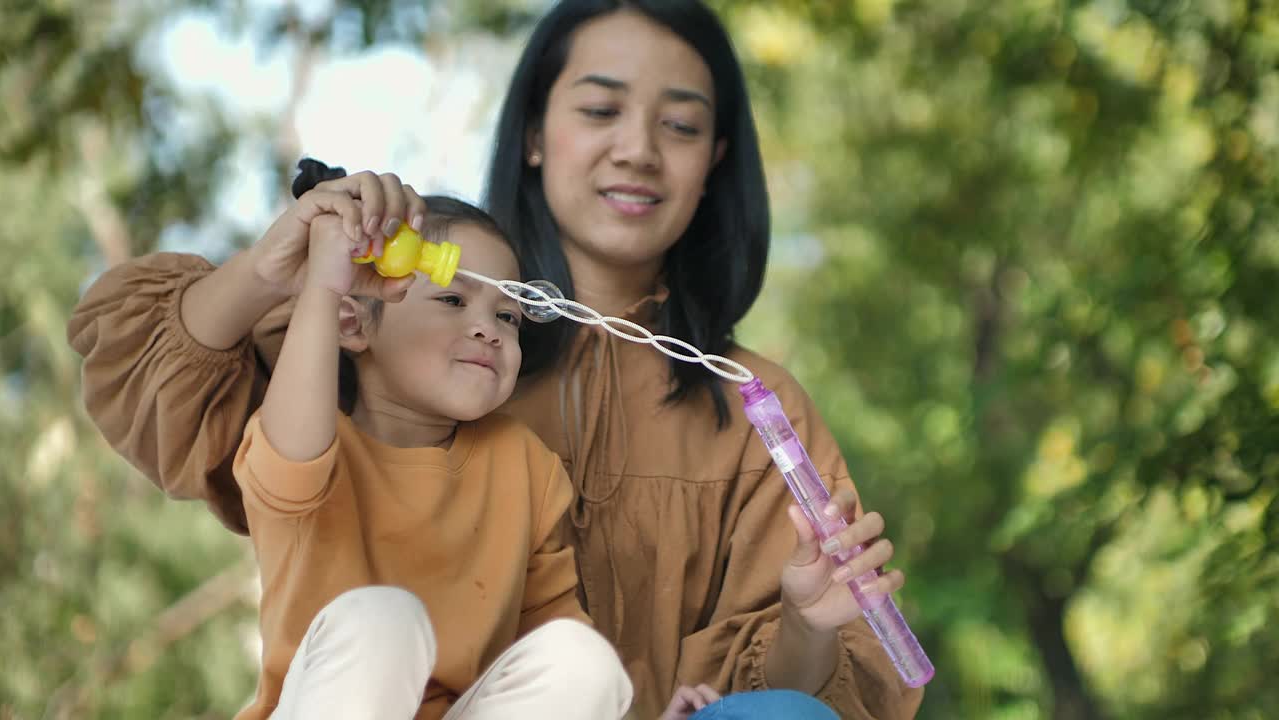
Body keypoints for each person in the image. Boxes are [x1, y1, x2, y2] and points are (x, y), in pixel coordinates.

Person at [68, 1, 926, 718]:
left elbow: (773, 701)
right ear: (534, 134)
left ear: (715, 162)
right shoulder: (384, 318)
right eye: (599, 110)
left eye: (680, 125)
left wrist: (810, 627)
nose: (637, 148)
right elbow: (151, 382)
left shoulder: (752, 409)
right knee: (380, 626)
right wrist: (279, 271)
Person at [226, 161, 631, 719]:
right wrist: (325, 280)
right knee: (385, 620)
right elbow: (296, 444)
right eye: (452, 300)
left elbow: (552, 652)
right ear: (353, 325)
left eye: (509, 317)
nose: (489, 327)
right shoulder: (313, 439)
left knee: (585, 661)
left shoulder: (524, 465)